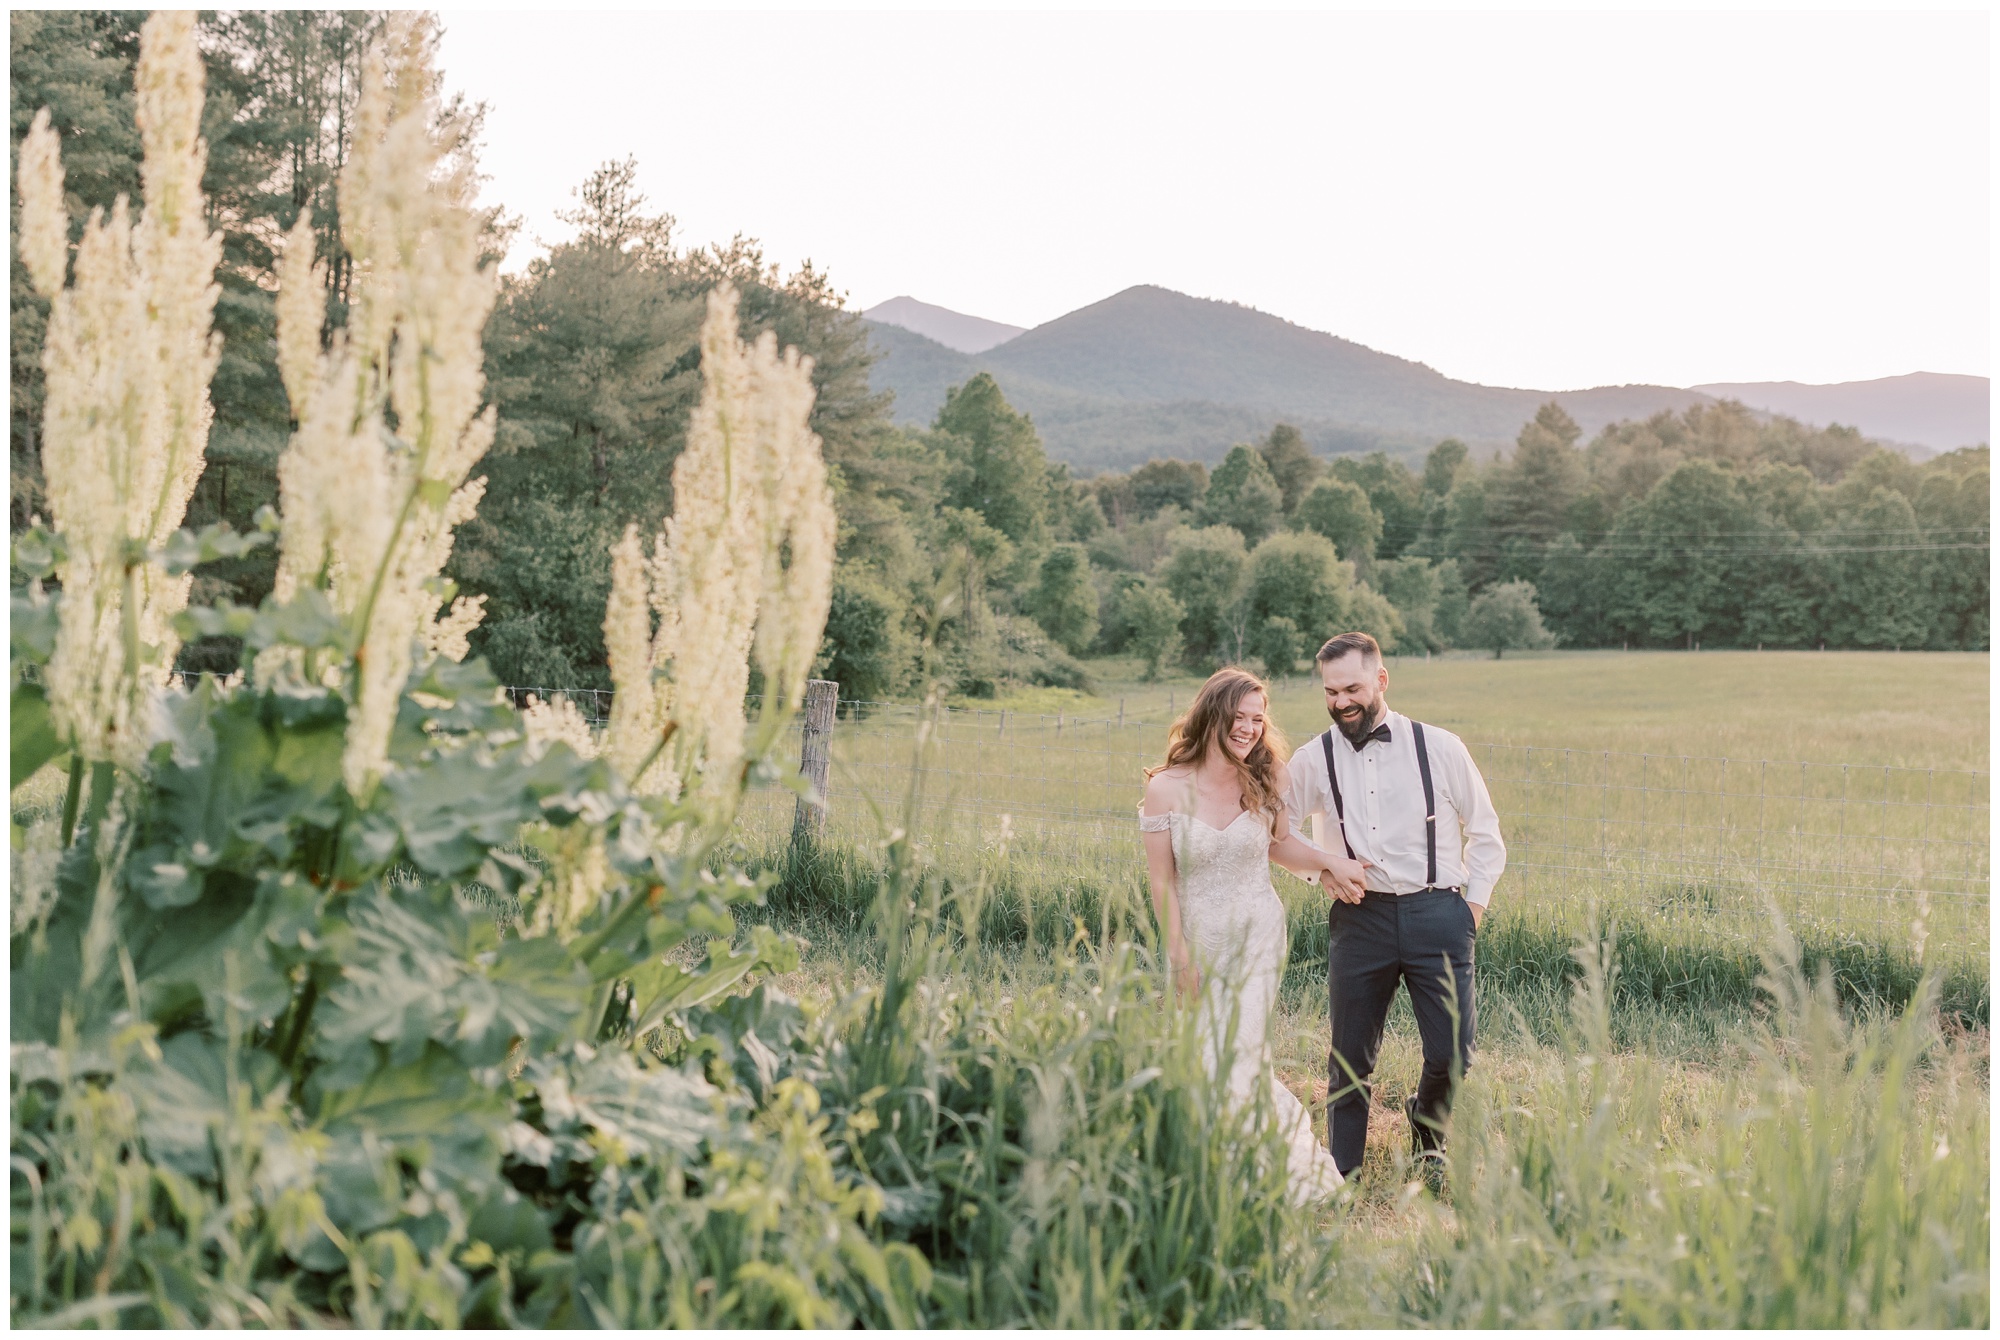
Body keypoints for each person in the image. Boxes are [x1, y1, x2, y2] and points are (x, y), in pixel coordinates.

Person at [1288, 632, 1506, 1181]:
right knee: (1349, 1058)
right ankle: (1344, 1170)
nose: (1341, 702)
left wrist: (1469, 913)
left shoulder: (1441, 747)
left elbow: (1486, 834)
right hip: (1361, 917)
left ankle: (1429, 1138)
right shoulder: (1314, 758)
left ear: (1381, 681)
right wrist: (1322, 868)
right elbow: (1274, 828)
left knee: (1453, 1053)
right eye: (1331, 691)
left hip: (1440, 914)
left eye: (1353, 688)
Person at [1138, 666, 1347, 1203]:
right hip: (1199, 937)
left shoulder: (1269, 776)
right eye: (1239, 717)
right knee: (1199, 1054)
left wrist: (1326, 862)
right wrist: (1178, 954)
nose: (1250, 728)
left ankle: (1248, 1174)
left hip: (1257, 933)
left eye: (1258, 719)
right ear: (1213, 714)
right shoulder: (1166, 789)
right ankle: (1208, 1165)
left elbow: (1279, 847)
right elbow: (1163, 881)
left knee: (1239, 1052)